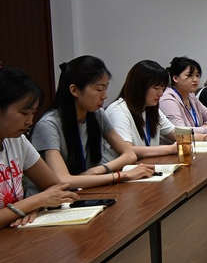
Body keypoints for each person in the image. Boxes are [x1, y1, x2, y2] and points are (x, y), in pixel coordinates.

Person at [31, 56, 154, 189]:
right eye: (99, 89)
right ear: (74, 90)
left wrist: (98, 170)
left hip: (87, 190)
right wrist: (121, 176)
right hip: (56, 198)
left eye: (106, 88)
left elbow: (129, 154)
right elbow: (63, 180)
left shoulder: (97, 114)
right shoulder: (49, 125)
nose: (105, 95)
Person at [0, 68, 79, 227]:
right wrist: (35, 202)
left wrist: (33, 207)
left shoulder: (18, 141)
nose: (30, 121)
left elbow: (56, 187)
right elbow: (44, 196)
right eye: (24, 113)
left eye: (33, 113)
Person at [104, 60, 179, 160]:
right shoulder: (118, 111)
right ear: (139, 86)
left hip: (146, 165)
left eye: (163, 88)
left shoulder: (151, 108)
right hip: (123, 168)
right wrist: (170, 149)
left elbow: (176, 133)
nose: (160, 94)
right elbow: (127, 150)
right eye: (156, 88)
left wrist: (200, 138)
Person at [159, 56, 207, 141]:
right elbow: (181, 132)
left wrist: (202, 128)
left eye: (197, 75)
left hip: (196, 144)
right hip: (176, 147)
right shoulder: (168, 100)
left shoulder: (191, 96)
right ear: (175, 78)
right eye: (189, 75)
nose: (195, 79)